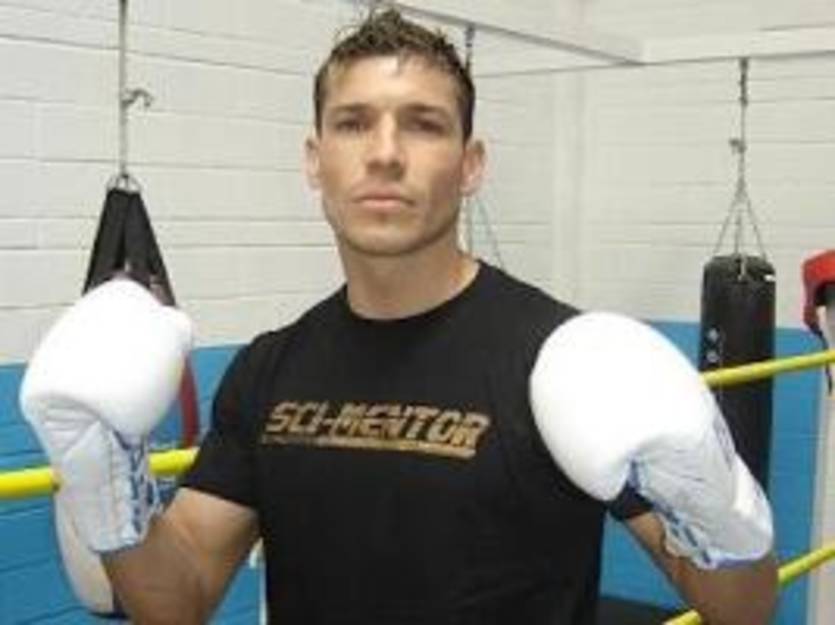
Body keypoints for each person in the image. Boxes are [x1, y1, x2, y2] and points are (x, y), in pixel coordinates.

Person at [21, 8, 778, 625]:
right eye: (353, 123)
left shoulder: (561, 362)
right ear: (315, 159)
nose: (385, 154)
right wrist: (102, 478)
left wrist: (717, 502)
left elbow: (740, 609)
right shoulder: (269, 368)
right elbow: (177, 601)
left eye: (423, 124)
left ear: (470, 163)